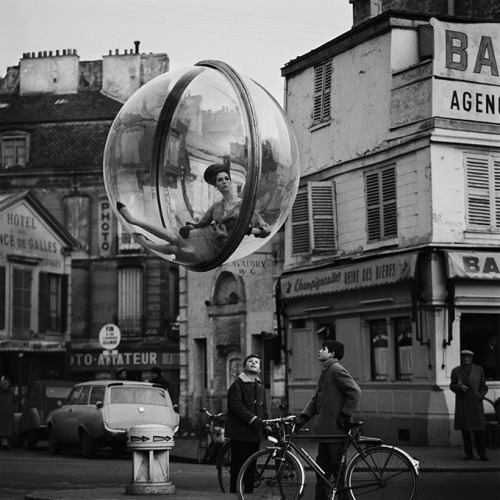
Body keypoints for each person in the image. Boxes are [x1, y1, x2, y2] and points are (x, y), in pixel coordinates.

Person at [117, 161, 270, 265]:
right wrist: (190, 228)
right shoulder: (217, 206)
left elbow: (266, 230)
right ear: (215, 185)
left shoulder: (245, 207)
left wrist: (249, 230)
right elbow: (201, 224)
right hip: (205, 235)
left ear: (231, 181)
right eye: (219, 180)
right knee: (172, 238)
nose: (224, 181)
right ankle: (133, 220)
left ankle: (147, 243)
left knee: (172, 249)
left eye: (226, 178)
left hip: (217, 248)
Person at [295, 341, 361, 500]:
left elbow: (355, 391)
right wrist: (302, 418)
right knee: (321, 471)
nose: (319, 350)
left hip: (336, 430)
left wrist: (345, 415)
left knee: (338, 470)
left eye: (323, 349)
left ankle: (344, 498)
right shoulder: (327, 371)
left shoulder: (336, 370)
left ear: (331, 354)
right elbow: (316, 398)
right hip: (326, 431)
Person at [225, 353, 269, 494]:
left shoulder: (260, 386)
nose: (253, 363)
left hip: (254, 433)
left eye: (256, 362)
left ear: (260, 369)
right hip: (239, 432)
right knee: (238, 465)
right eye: (250, 361)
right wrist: (253, 419)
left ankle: (249, 492)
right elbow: (237, 406)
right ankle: (234, 492)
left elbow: (264, 407)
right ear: (244, 367)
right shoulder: (237, 385)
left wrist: (266, 423)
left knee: (251, 464)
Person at [450, 349, 489, 461]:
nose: (466, 359)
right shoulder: (456, 371)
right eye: (464, 357)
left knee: (479, 430)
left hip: (476, 403)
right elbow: (452, 386)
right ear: (461, 358)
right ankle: (468, 453)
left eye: (468, 357)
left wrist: (480, 395)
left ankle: (482, 454)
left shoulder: (479, 370)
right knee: (465, 430)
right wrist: (459, 387)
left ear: (472, 358)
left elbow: (484, 386)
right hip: (463, 403)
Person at [0, 375, 16, 451]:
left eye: (6, 383)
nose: (5, 384)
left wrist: (13, 409)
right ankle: (3, 443)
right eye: (3, 383)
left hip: (8, 413)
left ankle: (4, 443)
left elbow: (14, 402)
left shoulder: (11, 393)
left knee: (7, 428)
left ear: (8, 384)